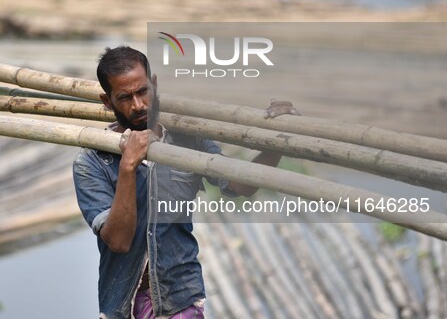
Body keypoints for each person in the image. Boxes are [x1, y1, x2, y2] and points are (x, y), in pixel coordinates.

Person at [73, 46, 298, 319]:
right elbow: (118, 241)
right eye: (124, 97)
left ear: (154, 85)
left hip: (180, 298)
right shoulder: (92, 162)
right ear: (107, 102)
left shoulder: (187, 138)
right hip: (123, 304)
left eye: (143, 91)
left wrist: (278, 142)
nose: (138, 105)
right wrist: (128, 165)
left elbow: (240, 185)